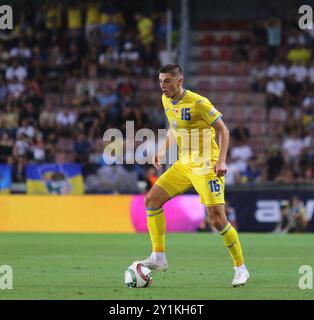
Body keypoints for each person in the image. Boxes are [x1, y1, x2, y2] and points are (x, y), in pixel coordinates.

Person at [134, 64, 249, 287]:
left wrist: (222, 159)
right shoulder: (166, 100)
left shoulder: (199, 102)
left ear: (180, 81)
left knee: (217, 219)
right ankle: (158, 256)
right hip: (184, 164)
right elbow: (174, 127)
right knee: (152, 200)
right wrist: (161, 150)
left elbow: (223, 130)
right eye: (160, 81)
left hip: (206, 166)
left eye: (167, 81)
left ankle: (240, 268)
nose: (163, 86)